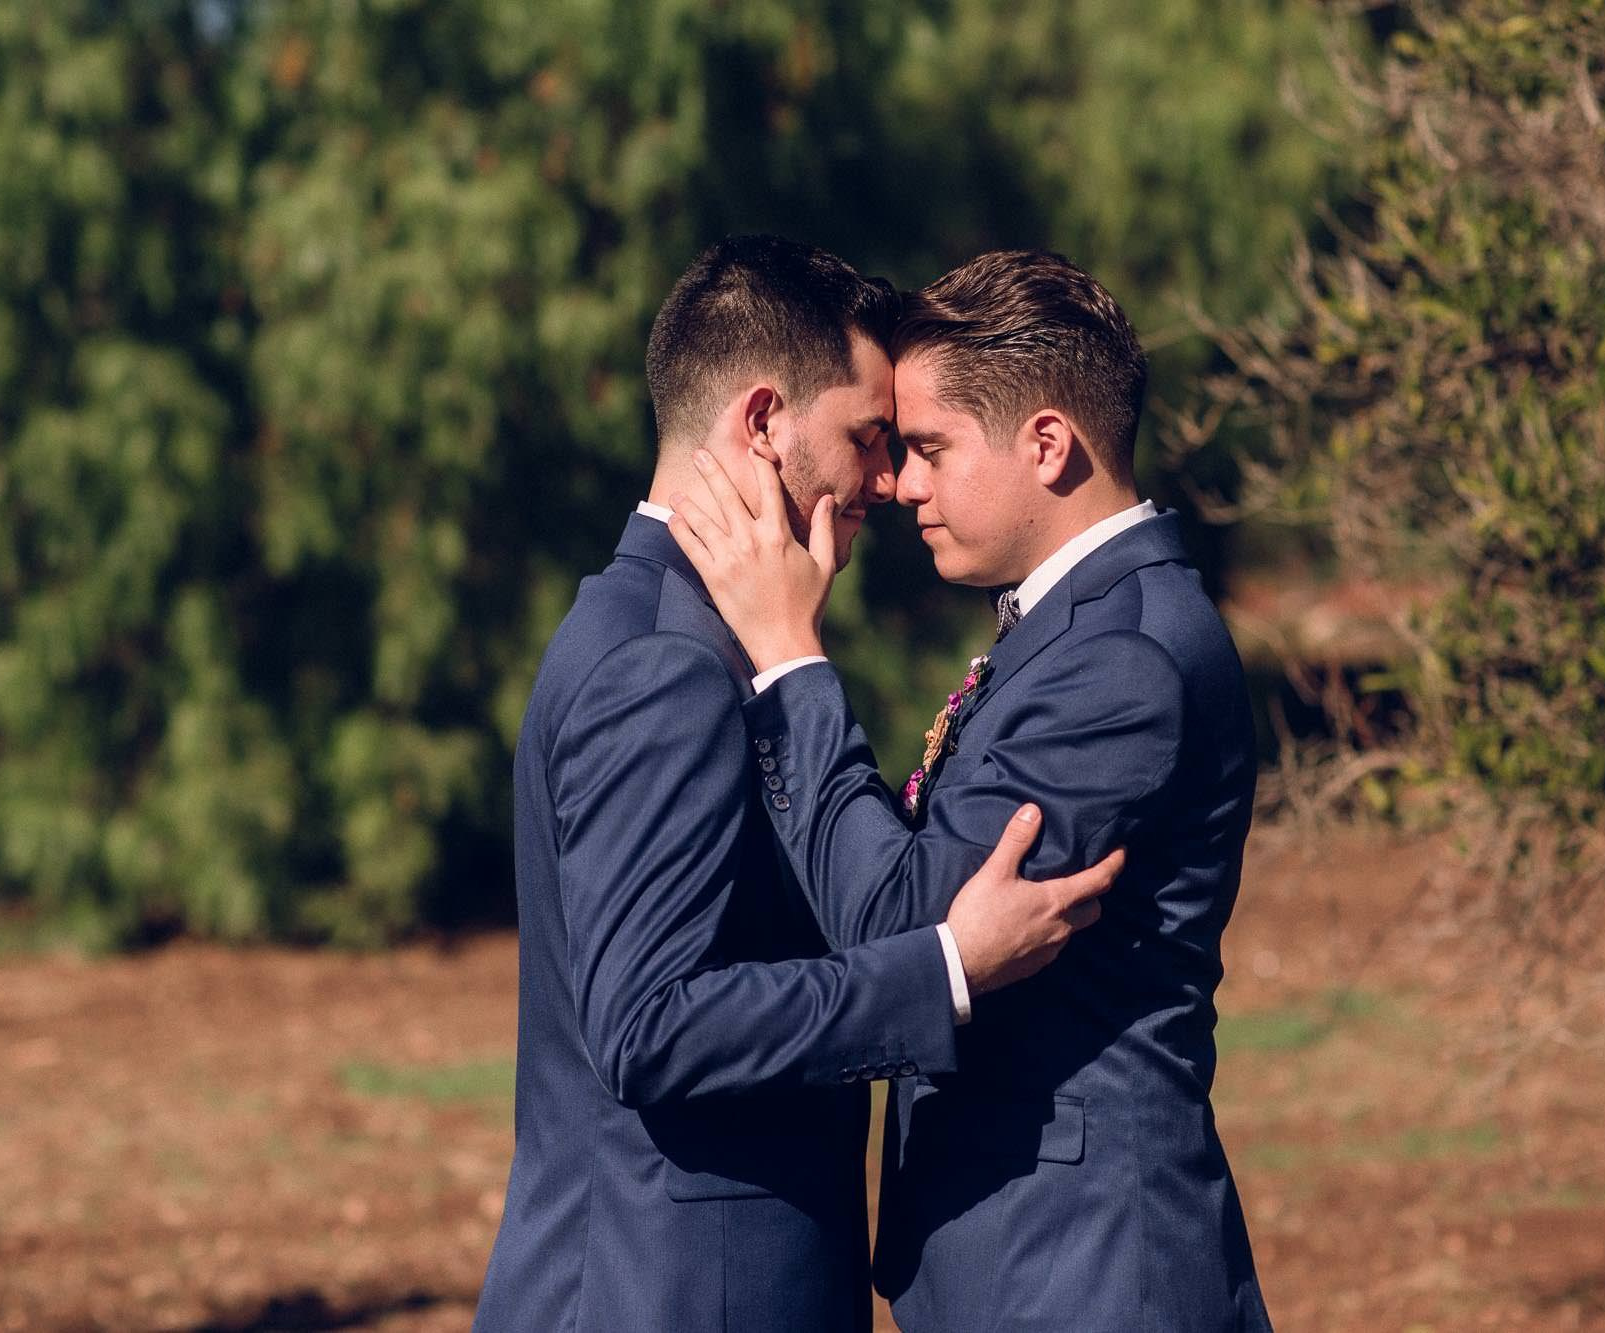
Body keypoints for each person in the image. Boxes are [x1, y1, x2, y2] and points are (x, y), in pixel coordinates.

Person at [474, 236, 1125, 1332]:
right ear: (762, 420)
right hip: (678, 1289)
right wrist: (945, 968)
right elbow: (647, 1027)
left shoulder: (674, 628)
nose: (887, 477)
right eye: (865, 437)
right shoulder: (664, 664)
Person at [669, 249, 1271, 1330]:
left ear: (1046, 443)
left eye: (929, 449)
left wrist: (787, 658)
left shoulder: (1120, 658)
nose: (898, 484)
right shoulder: (1075, 631)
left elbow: (898, 922)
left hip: (1085, 1275)